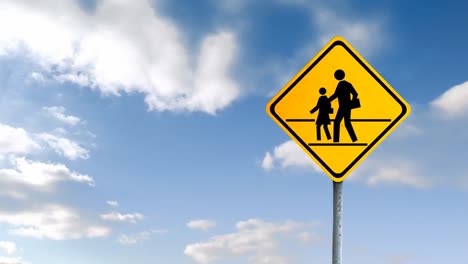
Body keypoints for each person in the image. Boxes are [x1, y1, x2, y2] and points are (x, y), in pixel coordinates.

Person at [328, 69, 358, 142]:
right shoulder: (348, 84)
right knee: (347, 123)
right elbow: (355, 94)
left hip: (343, 106)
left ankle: (336, 140)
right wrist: (351, 103)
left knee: (337, 122)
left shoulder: (340, 84)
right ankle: (354, 139)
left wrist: (327, 100)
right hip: (348, 106)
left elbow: (336, 95)